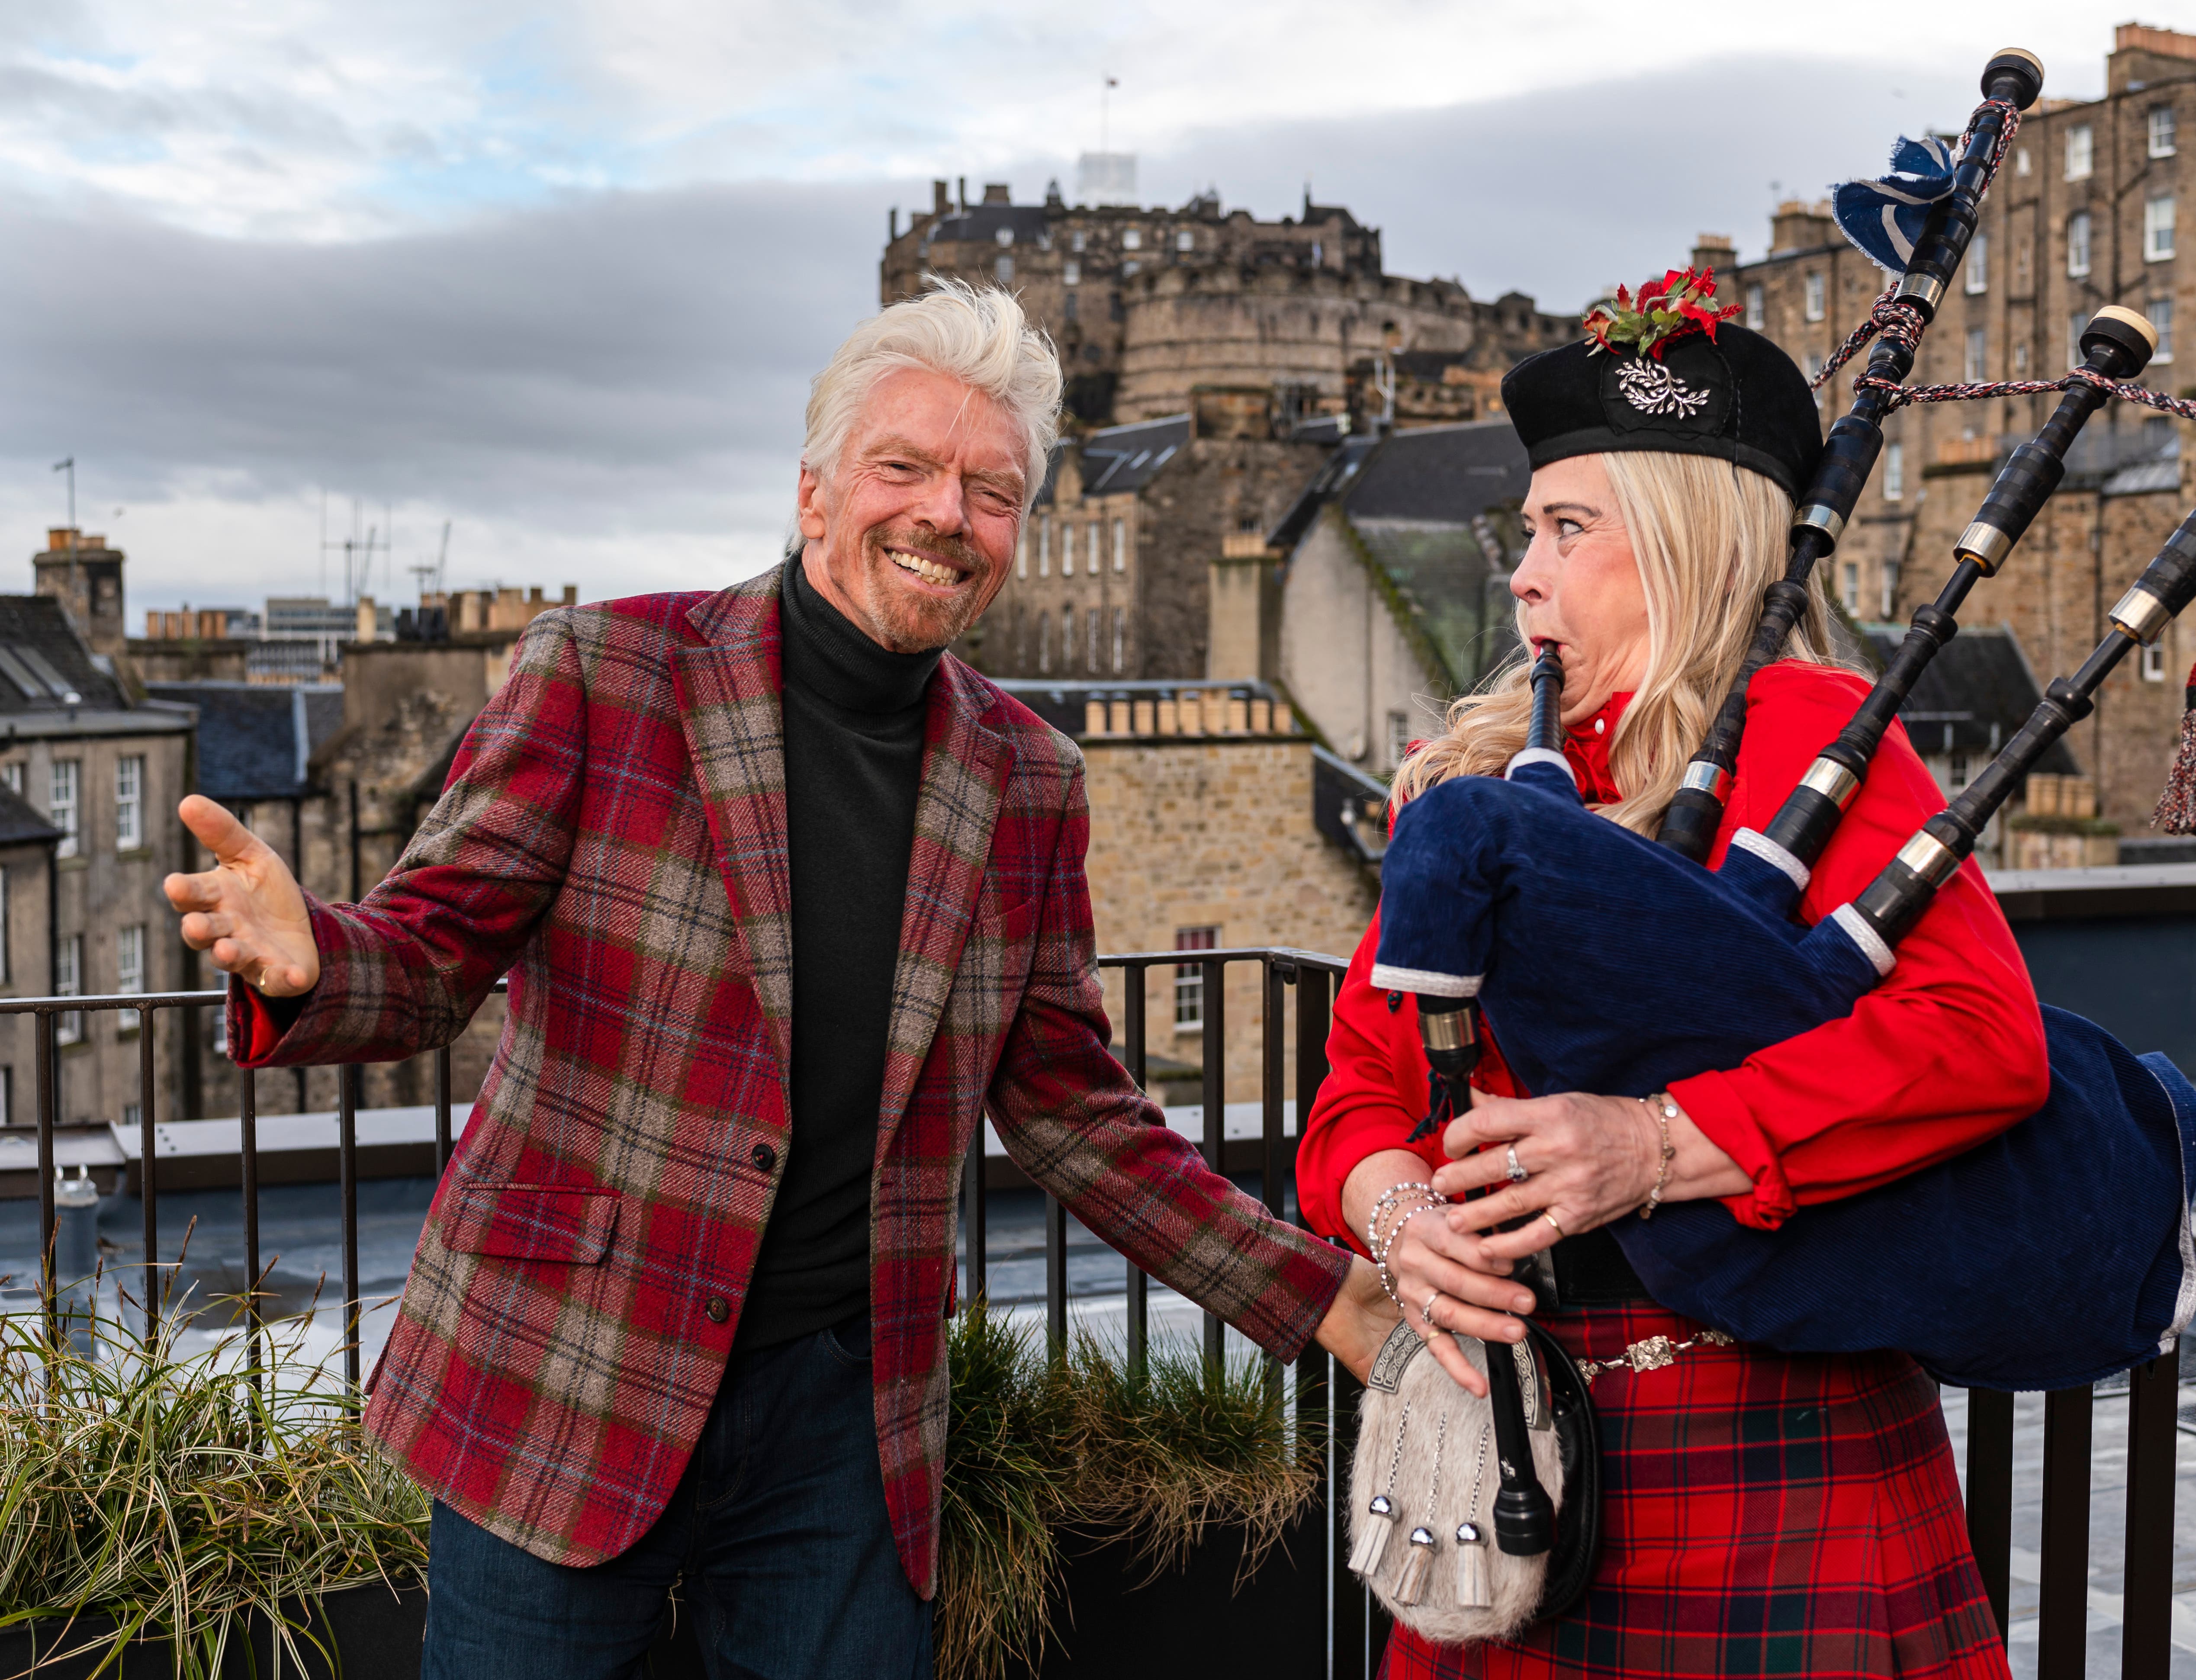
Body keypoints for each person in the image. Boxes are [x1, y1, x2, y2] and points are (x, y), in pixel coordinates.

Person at [166, 279, 1394, 1680]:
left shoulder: (1029, 780)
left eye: (992, 492)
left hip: (843, 1420)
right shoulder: (604, 673)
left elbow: (1075, 1111)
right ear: (814, 494)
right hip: (570, 1367)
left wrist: (1323, 1295)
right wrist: (317, 956)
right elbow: (437, 952)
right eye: (906, 468)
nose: (947, 513)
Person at [1294, 307, 2048, 1678]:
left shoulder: (1815, 740)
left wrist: (1653, 1146)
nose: (1523, 576)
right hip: (1519, 1450)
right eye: (1526, 532)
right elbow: (1358, 1091)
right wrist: (1397, 1215)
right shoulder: (1474, 787)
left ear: (1689, 538)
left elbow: (1982, 1039)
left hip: (1769, 1459)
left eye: (1567, 530)